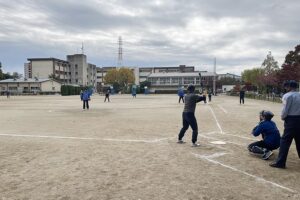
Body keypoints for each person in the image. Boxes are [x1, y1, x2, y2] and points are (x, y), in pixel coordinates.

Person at [270, 80, 300, 169]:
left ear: (290, 87)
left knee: (285, 141)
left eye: (286, 86)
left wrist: (283, 117)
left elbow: (285, 110)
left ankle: (280, 162)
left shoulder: (287, 95)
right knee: (299, 140)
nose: (285, 88)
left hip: (291, 119)